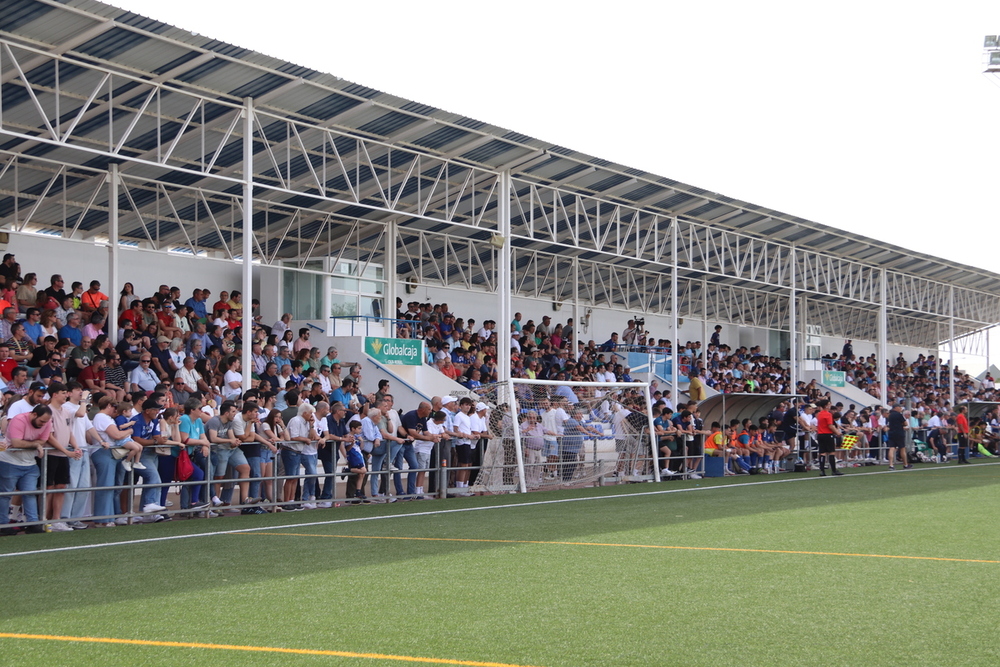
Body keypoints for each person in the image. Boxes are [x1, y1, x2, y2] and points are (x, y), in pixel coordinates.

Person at [0, 405, 53, 535]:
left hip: (29, 463)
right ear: (34, 415)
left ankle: (33, 524)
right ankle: (3, 524)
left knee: (29, 493)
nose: (44, 424)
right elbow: (17, 442)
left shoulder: (46, 421)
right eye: (42, 421)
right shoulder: (18, 419)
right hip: (9, 462)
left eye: (46, 422)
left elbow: (44, 440)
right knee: (6, 494)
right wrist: (35, 444)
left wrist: (32, 443)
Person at [814, 399, 843, 477]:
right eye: (829, 404)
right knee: (831, 452)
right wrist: (837, 433)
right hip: (827, 434)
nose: (830, 405)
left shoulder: (819, 414)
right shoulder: (828, 414)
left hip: (820, 434)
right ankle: (833, 470)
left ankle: (822, 470)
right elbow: (830, 425)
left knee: (822, 452)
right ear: (826, 405)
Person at [885, 403, 911, 471]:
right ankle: (905, 464)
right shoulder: (899, 415)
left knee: (892, 448)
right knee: (902, 448)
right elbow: (905, 423)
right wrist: (901, 424)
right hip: (899, 432)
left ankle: (891, 464)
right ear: (896, 407)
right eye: (899, 407)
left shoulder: (890, 415)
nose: (900, 409)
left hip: (891, 432)